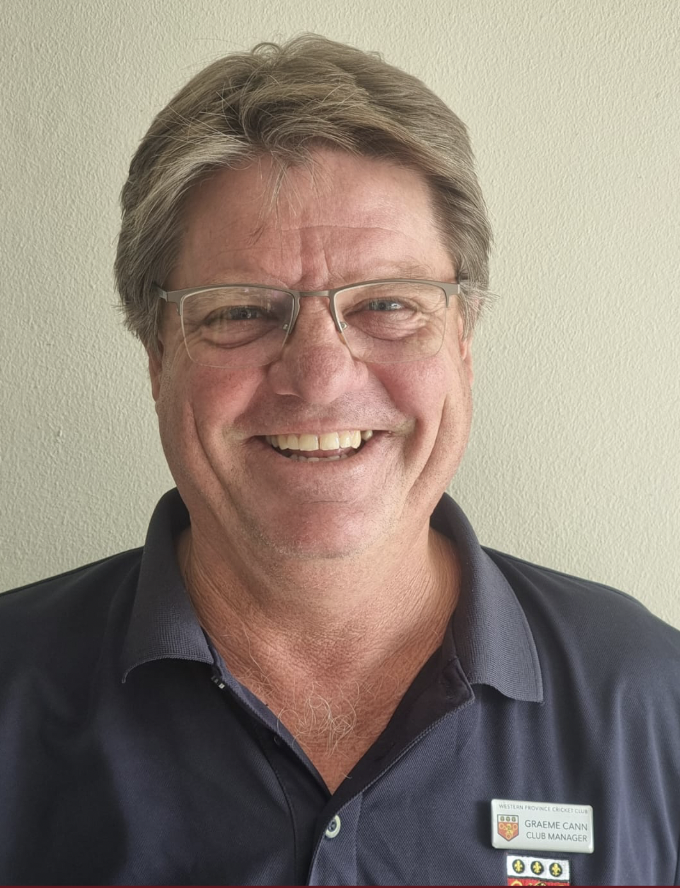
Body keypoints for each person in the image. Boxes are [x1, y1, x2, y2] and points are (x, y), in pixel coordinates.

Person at [1, 35, 678, 887]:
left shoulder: (652, 702)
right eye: (241, 311)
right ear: (157, 357)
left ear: (462, 342)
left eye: (388, 304)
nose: (320, 378)